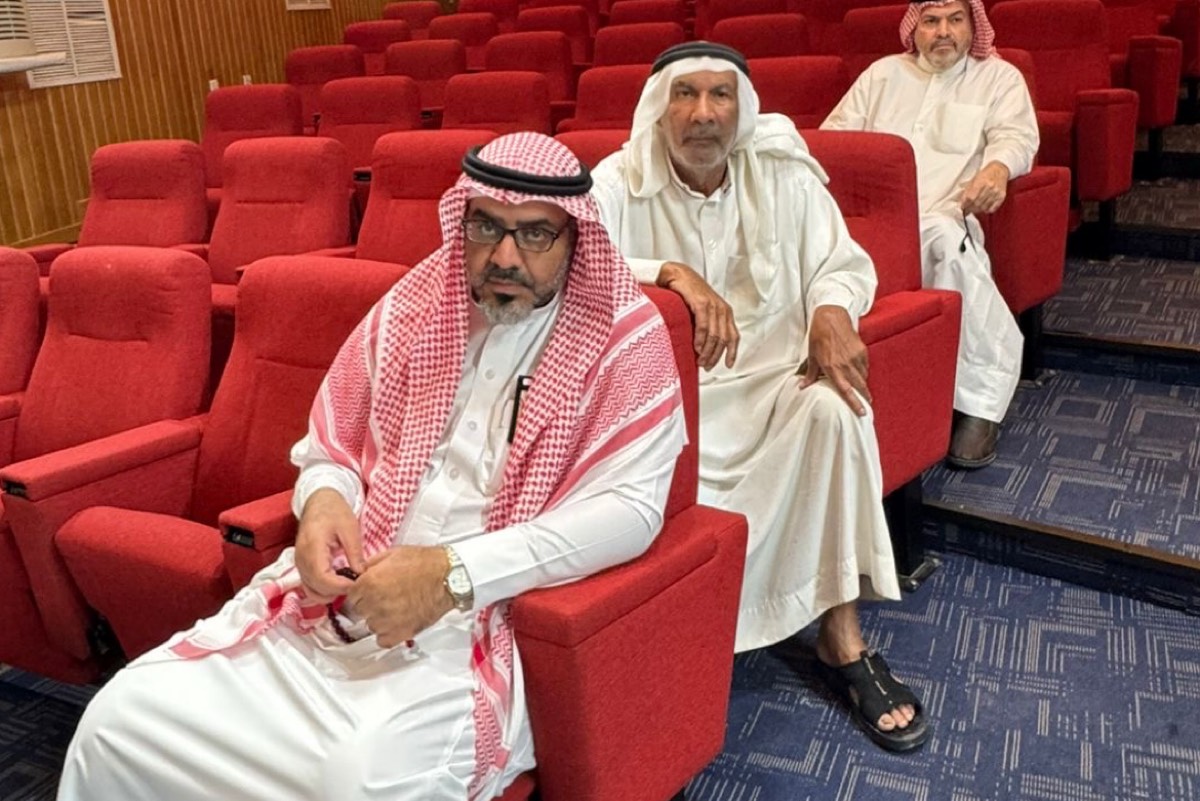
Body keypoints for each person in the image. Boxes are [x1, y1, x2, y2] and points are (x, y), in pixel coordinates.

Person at [57, 133, 687, 801]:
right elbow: (330, 443)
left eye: (535, 233)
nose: (505, 256)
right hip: (335, 602)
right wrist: (323, 501)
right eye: (486, 226)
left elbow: (632, 512)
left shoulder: (625, 339)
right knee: (121, 720)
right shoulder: (415, 305)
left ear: (575, 238)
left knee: (354, 779)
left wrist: (454, 574)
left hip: (474, 626)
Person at [591, 41, 929, 752]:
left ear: (741, 107)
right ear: (659, 107)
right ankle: (687, 630)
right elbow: (576, 257)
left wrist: (831, 308)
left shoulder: (782, 173)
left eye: (720, 95)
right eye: (686, 95)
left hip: (774, 383)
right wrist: (671, 272)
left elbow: (842, 263)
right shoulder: (622, 179)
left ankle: (841, 635)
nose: (703, 114)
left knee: (837, 408)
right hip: (669, 399)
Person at [821, 0, 1040, 468]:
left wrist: (997, 169)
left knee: (944, 241)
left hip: (945, 214)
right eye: (932, 21)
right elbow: (835, 139)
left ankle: (980, 402)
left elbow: (1016, 136)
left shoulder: (998, 78)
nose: (943, 31)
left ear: (972, 26)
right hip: (871, 222)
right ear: (914, 29)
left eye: (955, 20)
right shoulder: (882, 75)